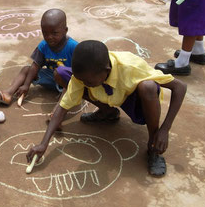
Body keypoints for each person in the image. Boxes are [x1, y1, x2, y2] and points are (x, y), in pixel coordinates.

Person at [26, 40, 187, 177]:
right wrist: (43, 144)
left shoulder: (131, 67)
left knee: (148, 87)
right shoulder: (87, 75)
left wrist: (164, 130)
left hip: (132, 98)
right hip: (106, 93)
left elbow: (180, 87)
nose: (83, 83)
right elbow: (63, 107)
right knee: (65, 75)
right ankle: (107, 113)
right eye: (81, 80)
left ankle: (153, 145)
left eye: (88, 81)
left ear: (107, 71)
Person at [0, 9, 77, 106]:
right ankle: (8, 93)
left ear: (65, 30)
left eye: (54, 33)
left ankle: (59, 108)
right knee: (27, 69)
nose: (49, 37)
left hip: (68, 82)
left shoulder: (73, 47)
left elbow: (80, 71)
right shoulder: (43, 45)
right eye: (45, 33)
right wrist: (26, 85)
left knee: (71, 81)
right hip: (52, 79)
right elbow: (35, 65)